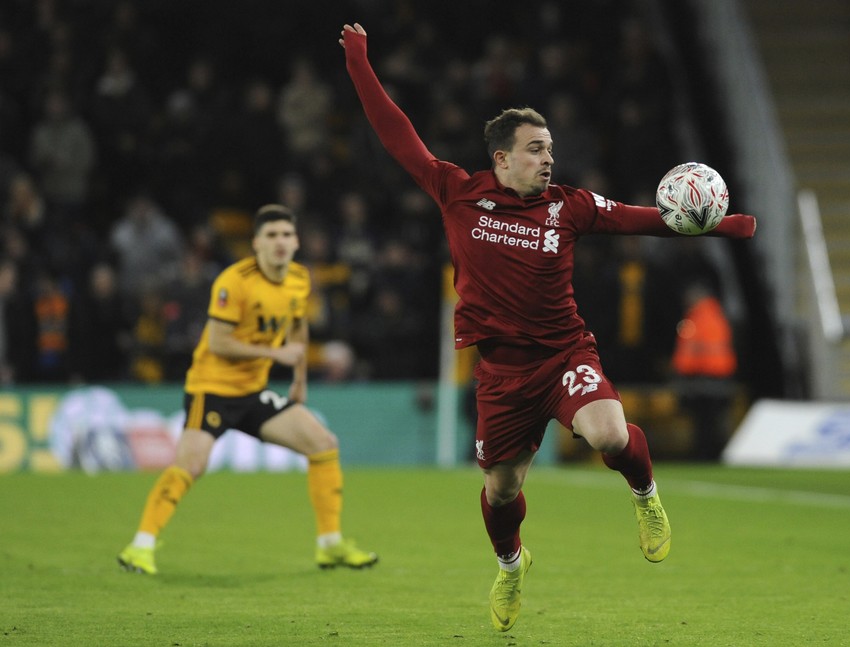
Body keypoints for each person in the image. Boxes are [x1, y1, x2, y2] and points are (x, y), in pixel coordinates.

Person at [339, 23, 756, 632]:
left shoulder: (569, 205)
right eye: (536, 149)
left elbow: (645, 219)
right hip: (502, 373)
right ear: (502, 157)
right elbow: (395, 133)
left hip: (564, 354)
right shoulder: (457, 191)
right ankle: (511, 566)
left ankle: (646, 498)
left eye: (551, 149)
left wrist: (721, 226)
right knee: (502, 493)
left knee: (609, 435)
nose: (548, 159)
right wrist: (359, 64)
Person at [118, 204, 378, 574]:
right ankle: (139, 547)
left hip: (253, 391)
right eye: (271, 235)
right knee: (191, 465)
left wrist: (299, 379)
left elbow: (298, 330)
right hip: (212, 388)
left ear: (296, 241)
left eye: (286, 235)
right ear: (255, 243)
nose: (280, 242)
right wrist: (276, 353)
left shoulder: (300, 279)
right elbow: (220, 342)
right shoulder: (234, 282)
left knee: (323, 444)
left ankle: (330, 544)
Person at [671, 280, 738, 461]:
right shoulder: (717, 316)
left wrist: (680, 372)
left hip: (703, 379)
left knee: (704, 423)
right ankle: (714, 455)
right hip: (719, 377)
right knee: (714, 422)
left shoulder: (697, 319)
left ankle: (705, 456)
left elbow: (691, 352)